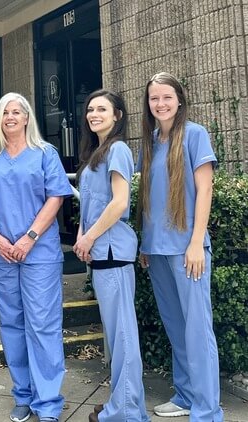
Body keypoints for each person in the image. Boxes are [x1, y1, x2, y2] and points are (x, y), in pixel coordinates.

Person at [0, 93, 72, 422]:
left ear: (27, 118)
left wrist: (29, 237)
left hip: (38, 252)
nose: (10, 117)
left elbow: (56, 196)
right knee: (12, 324)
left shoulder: (44, 154)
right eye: (5, 112)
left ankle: (48, 402)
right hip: (1, 253)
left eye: (17, 112)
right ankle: (23, 395)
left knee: (42, 325)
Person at [138, 72, 223, 422]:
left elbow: (205, 190)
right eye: (154, 98)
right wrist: (145, 243)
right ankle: (186, 395)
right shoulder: (152, 141)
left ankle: (207, 410)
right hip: (156, 250)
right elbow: (149, 198)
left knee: (197, 329)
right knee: (176, 326)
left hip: (187, 249)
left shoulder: (195, 135)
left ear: (180, 100)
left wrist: (196, 244)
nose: (160, 104)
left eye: (166, 97)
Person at [72, 89, 149, 422]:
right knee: (116, 335)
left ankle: (129, 411)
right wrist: (81, 237)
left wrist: (89, 236)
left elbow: (119, 203)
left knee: (123, 335)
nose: (94, 114)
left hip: (114, 251)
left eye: (102, 109)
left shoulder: (117, 149)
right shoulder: (96, 153)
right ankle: (121, 401)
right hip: (101, 251)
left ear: (118, 115)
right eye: (90, 109)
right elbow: (90, 203)